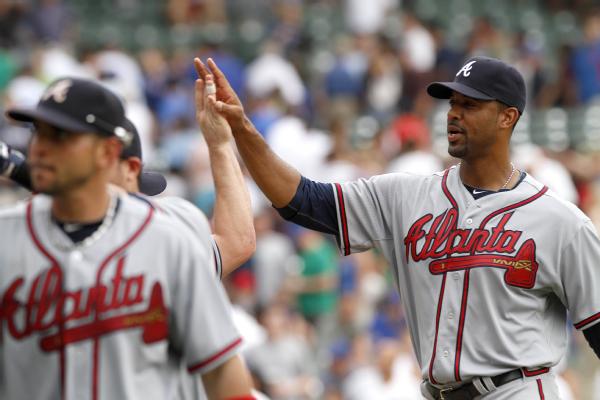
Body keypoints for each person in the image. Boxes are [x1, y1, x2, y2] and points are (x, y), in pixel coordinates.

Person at [195, 55, 600, 399]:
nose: (454, 112)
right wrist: (243, 130)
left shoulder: (558, 220)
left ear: (507, 117)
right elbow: (303, 202)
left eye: (471, 105)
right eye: (452, 102)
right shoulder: (404, 195)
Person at [0, 77, 254, 399]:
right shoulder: (8, 235)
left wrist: (220, 146)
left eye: (61, 135)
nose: (40, 147)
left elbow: (223, 372)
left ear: (108, 153)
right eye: (38, 133)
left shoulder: (169, 234)